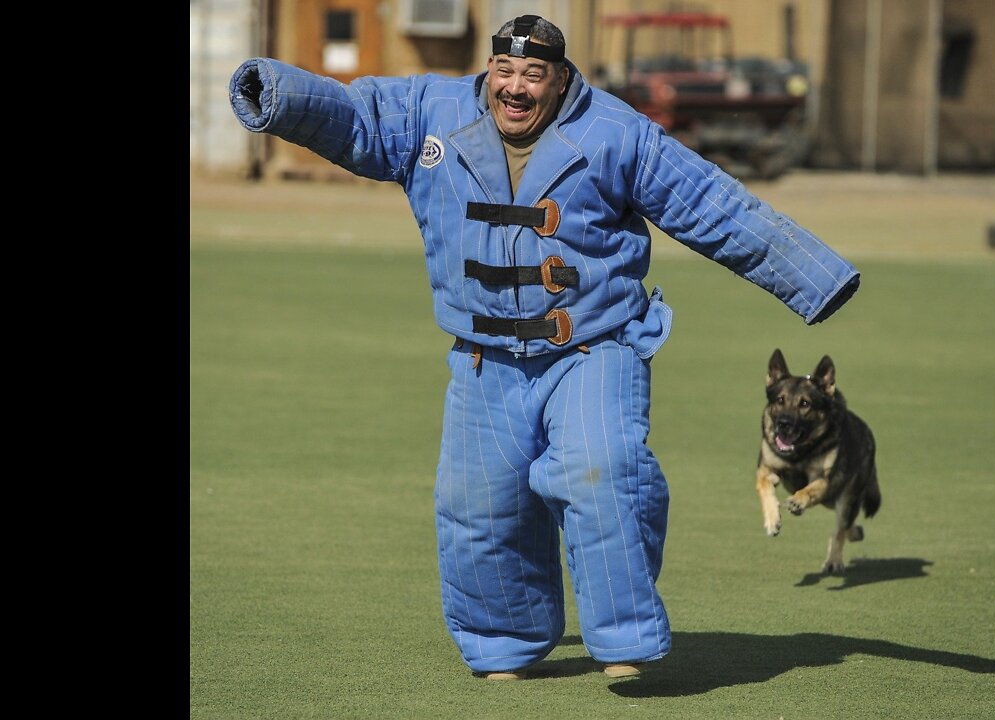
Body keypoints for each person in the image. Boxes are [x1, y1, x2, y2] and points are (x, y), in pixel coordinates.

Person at [228, 14, 860, 681]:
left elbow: (711, 204)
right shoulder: (429, 115)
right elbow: (354, 116)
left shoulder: (616, 133)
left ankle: (623, 642)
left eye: (534, 74)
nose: (516, 87)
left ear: (560, 80)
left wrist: (815, 278)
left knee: (603, 470)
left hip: (594, 347)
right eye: (505, 71)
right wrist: (275, 92)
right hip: (483, 358)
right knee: (480, 506)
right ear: (489, 73)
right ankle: (504, 641)